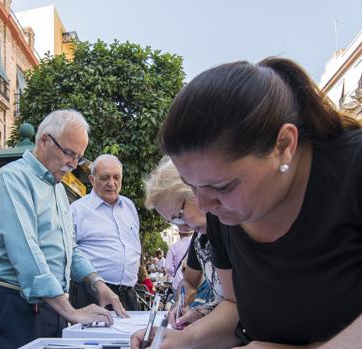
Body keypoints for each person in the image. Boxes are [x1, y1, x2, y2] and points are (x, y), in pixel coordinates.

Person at [131, 56, 362, 348]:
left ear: (284, 146)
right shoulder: (221, 214)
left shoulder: (352, 168)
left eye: (222, 186)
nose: (204, 205)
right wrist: (184, 340)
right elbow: (234, 307)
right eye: (192, 186)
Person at [0, 109, 128, 348]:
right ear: (44, 141)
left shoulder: (58, 188)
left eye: (79, 157)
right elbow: (26, 251)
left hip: (52, 305)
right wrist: (71, 311)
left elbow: (69, 247)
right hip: (17, 304)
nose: (73, 164)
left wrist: (97, 283)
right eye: (69, 153)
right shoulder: (13, 178)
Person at [144, 155, 223, 329]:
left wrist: (200, 314)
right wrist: (180, 304)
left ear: (196, 191)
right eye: (173, 223)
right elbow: (190, 282)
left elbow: (236, 303)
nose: (181, 229)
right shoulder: (200, 237)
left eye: (179, 217)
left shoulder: (230, 228)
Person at [69, 154, 141, 311]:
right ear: (92, 179)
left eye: (116, 177)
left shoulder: (129, 206)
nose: (112, 183)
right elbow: (69, 251)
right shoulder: (77, 209)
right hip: (92, 293)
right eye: (105, 178)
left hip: (128, 293)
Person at [164, 230, 192, 294]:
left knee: (178, 302)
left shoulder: (173, 247)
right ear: (191, 233)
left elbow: (168, 267)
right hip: (194, 282)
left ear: (179, 233)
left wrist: (175, 272)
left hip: (178, 282)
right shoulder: (196, 245)